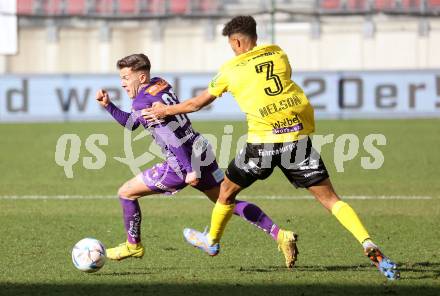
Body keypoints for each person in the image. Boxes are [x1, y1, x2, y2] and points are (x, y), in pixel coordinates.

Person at [144, 16, 400, 280]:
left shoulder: (230, 69)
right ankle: (367, 242)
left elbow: (197, 104)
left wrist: (166, 110)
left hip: (263, 143)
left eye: (231, 45)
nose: (232, 49)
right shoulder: (278, 53)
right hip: (296, 139)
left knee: (226, 192)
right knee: (332, 200)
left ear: (237, 41)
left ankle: (211, 239)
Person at [95, 53, 299, 268]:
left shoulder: (141, 101)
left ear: (142, 77)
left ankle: (133, 245)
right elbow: (132, 123)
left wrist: (188, 169)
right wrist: (109, 105)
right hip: (200, 148)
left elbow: (170, 135)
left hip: (181, 163)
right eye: (122, 78)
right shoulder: (159, 84)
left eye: (127, 77)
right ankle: (281, 235)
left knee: (126, 192)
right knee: (225, 200)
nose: (123, 83)